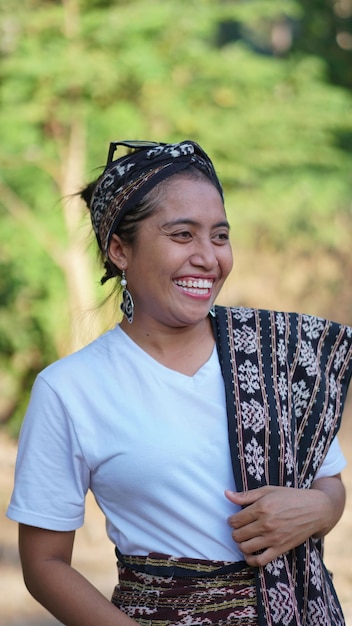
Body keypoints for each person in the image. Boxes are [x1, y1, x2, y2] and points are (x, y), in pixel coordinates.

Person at [6, 139, 352, 626]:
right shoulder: (71, 389)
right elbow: (43, 565)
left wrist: (320, 509)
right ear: (120, 249)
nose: (208, 258)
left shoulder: (278, 352)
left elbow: (327, 482)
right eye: (182, 235)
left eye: (220, 235)